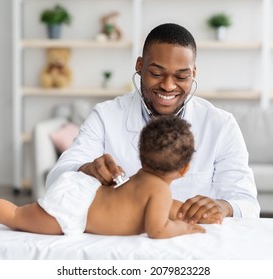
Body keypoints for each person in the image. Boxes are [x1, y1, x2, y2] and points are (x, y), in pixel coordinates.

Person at [46, 23, 260, 223]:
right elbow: (56, 178)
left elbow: (248, 204)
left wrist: (223, 206)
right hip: (123, 237)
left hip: (193, 240)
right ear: (140, 66)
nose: (168, 86)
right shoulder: (106, 115)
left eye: (181, 77)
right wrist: (85, 169)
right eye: (156, 73)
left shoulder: (220, 124)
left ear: (193, 73)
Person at [0, 116, 206, 239]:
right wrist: (184, 228)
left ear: (141, 156)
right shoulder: (160, 190)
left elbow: (163, 209)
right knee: (16, 217)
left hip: (85, 192)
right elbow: (157, 228)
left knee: (18, 215)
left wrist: (186, 211)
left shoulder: (143, 178)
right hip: (75, 207)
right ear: (184, 169)